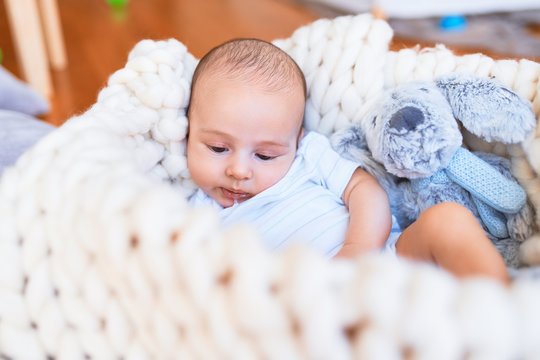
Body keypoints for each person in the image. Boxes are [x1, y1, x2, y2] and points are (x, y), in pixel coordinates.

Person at [186, 38, 509, 283]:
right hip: (313, 311)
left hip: (387, 264)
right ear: (189, 129)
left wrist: (358, 248)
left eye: (265, 155)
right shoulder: (194, 214)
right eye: (217, 148)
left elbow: (365, 191)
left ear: (296, 140)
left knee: (446, 220)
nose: (239, 171)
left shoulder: (308, 156)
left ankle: (503, 311)